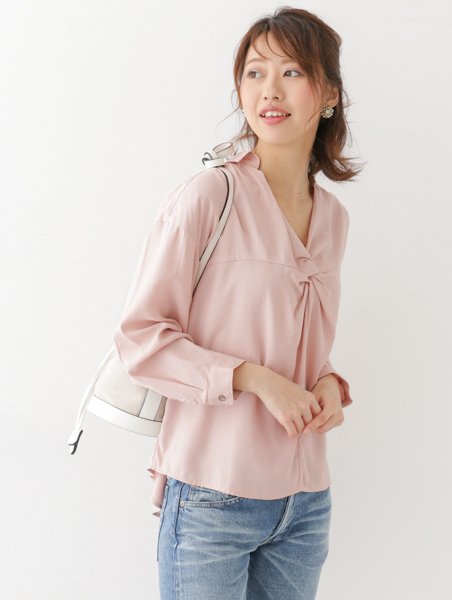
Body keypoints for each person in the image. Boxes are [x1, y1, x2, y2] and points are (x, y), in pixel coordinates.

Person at [113, 7, 363, 600]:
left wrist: (328, 384)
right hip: (211, 494)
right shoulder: (208, 196)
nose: (269, 90)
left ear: (329, 93)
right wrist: (254, 379)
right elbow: (141, 338)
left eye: (291, 72)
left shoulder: (333, 219)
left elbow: (293, 341)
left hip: (305, 502)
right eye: (254, 73)